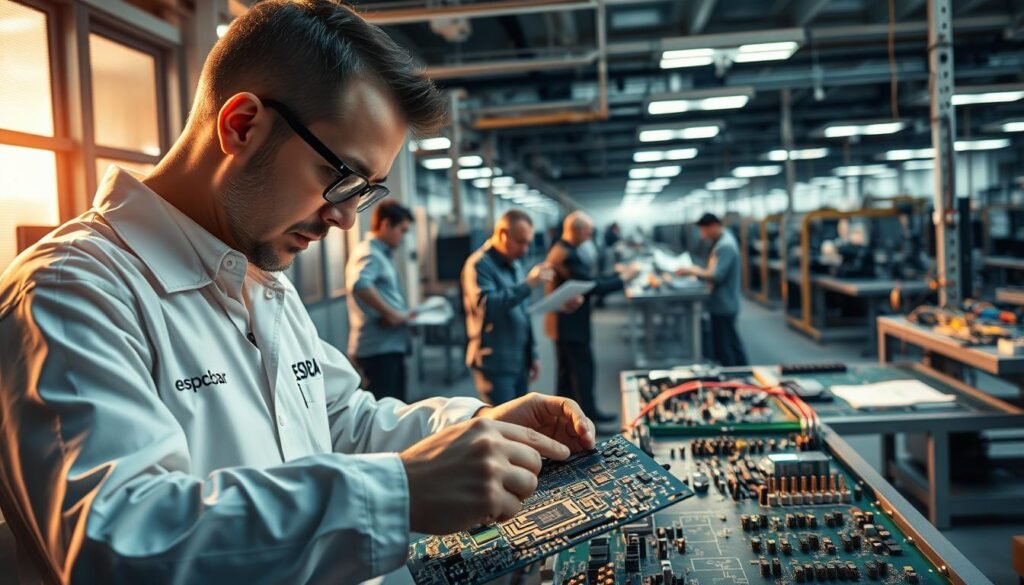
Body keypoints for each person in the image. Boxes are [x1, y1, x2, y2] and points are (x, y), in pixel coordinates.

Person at [0, 2, 596, 583]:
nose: (346, 220)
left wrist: (486, 428)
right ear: (241, 125)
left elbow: (343, 424)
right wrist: (397, 494)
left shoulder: (260, 281)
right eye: (343, 179)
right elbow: (119, 542)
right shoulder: (68, 292)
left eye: (366, 193)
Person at [545, 211, 639, 424]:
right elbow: (590, 286)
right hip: (569, 324)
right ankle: (588, 418)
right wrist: (623, 278)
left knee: (567, 374)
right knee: (581, 371)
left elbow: (589, 279)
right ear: (576, 230)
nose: (589, 237)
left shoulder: (566, 250)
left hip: (565, 323)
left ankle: (566, 419)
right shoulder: (565, 254)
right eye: (587, 232)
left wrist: (616, 276)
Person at [462, 210, 553, 405]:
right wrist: (528, 284)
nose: (525, 249)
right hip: (495, 363)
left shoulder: (515, 263)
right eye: (521, 242)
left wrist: (532, 354)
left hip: (519, 358)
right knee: (503, 426)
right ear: (503, 235)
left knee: (521, 422)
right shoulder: (478, 265)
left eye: (528, 242)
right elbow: (487, 306)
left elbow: (523, 312)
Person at [346, 200, 415, 400]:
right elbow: (360, 284)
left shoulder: (381, 254)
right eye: (402, 230)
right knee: (385, 413)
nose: (403, 237)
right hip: (380, 350)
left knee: (395, 409)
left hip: (388, 345)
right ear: (385, 225)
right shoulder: (370, 253)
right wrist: (392, 314)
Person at [676, 213, 749, 366]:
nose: (703, 236)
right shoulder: (723, 240)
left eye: (704, 231)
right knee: (731, 341)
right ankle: (742, 371)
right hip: (724, 302)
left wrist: (693, 270)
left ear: (714, 226)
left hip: (724, 304)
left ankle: (733, 377)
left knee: (725, 346)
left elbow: (717, 275)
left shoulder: (725, 246)